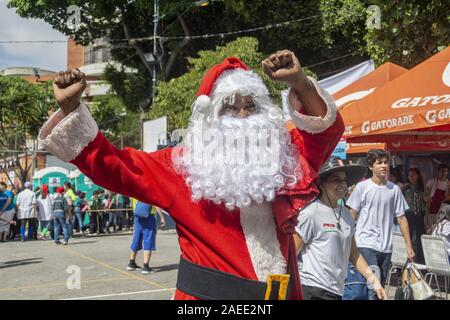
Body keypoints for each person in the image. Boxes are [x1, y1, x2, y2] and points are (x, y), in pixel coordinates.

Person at [39, 50, 344, 300]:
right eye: (228, 107)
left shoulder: (282, 159)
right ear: (209, 116)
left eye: (250, 106)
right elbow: (115, 167)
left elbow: (324, 132)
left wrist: (300, 82)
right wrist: (71, 109)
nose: (241, 118)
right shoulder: (181, 166)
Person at [294, 156, 386, 300]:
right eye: (336, 179)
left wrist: (373, 279)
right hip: (312, 289)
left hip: (337, 291)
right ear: (322, 184)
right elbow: (292, 252)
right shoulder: (310, 213)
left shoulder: (346, 216)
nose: (342, 184)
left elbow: (353, 254)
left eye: (344, 180)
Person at [346, 149, 415, 300]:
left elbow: (401, 218)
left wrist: (409, 246)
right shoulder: (362, 187)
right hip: (366, 243)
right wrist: (347, 240)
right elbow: (352, 214)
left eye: (386, 162)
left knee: (380, 287)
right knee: (373, 286)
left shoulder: (394, 189)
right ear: (371, 166)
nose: (384, 166)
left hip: (386, 247)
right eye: (379, 163)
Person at [127, 201, 166, 274]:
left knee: (136, 239)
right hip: (149, 216)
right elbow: (155, 204)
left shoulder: (135, 191)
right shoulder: (150, 191)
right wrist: (162, 217)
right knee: (148, 239)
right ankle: (146, 267)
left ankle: (131, 263)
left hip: (137, 216)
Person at [402, 167, 427, 263]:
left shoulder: (421, 187)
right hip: (409, 214)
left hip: (420, 215)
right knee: (410, 238)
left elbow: (425, 202)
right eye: (409, 175)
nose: (411, 177)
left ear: (418, 176)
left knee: (419, 238)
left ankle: (419, 260)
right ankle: (410, 260)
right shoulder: (405, 188)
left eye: (413, 175)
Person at [426, 163, 449, 231]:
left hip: (444, 213)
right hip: (432, 209)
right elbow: (426, 194)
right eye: (442, 171)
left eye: (445, 171)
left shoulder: (448, 184)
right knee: (431, 229)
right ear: (438, 171)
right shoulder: (431, 182)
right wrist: (427, 198)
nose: (443, 173)